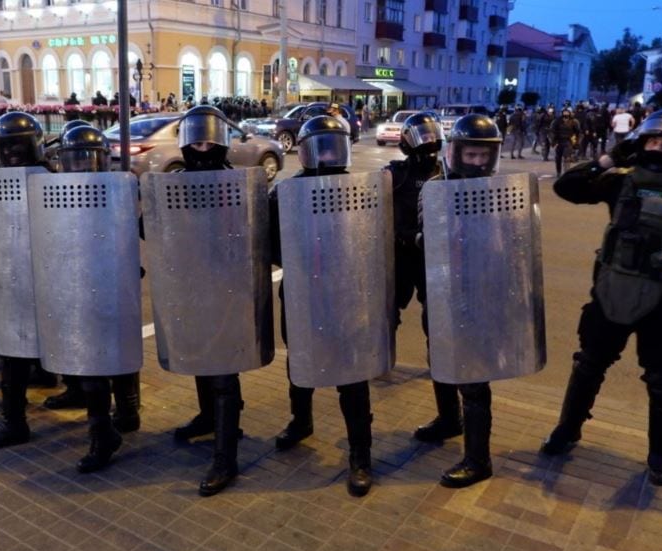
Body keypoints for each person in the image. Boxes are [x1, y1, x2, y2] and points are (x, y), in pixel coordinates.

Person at [540, 109, 662, 486]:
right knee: (587, 366)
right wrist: (612, 157)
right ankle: (567, 430)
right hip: (611, 294)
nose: (658, 148)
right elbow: (566, 187)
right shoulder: (620, 181)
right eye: (651, 140)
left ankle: (660, 456)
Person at [270, 116, 375, 497]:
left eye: (335, 145)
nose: (329, 154)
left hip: (347, 294)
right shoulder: (285, 192)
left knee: (352, 372)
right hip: (300, 292)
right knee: (299, 360)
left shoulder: (361, 188)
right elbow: (267, 241)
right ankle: (301, 421)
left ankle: (361, 453)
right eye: (322, 146)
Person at [164, 105, 246, 496]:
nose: (202, 149)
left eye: (209, 142)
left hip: (228, 285)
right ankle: (206, 417)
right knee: (200, 354)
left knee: (224, 371)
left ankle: (225, 456)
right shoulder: (176, 181)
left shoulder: (238, 182)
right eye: (194, 142)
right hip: (191, 283)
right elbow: (157, 227)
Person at [51, 125, 141, 472]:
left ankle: (121, 419)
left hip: (114, 281)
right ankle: (103, 431)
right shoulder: (55, 191)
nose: (80, 165)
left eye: (86, 158)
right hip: (83, 284)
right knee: (95, 365)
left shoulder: (121, 186)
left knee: (113, 359)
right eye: (73, 159)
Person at [379, 113, 463, 446]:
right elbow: (374, 213)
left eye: (432, 139)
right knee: (385, 315)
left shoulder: (446, 176)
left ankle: (450, 413)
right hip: (401, 257)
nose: (428, 145)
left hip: (434, 262)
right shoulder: (395, 175)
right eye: (422, 139)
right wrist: (408, 238)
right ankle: (378, 360)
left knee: (439, 333)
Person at [432, 114, 504, 488]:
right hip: (442, 293)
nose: (477, 163)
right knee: (442, 360)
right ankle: (448, 420)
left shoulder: (500, 194)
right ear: (455, 153)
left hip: (479, 296)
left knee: (474, 379)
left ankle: (479, 459)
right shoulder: (436, 187)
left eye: (483, 156)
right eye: (471, 154)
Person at [0, 112, 48, 449]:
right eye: (8, 146)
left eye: (20, 144)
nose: (14, 152)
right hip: (15, 279)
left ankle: (101, 431)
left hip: (51, 280)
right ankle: (13, 421)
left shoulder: (51, 179)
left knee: (77, 357)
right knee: (13, 358)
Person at [550, 108, 580, 176]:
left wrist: (576, 142)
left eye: (567, 112)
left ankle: (566, 172)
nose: (566, 114)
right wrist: (553, 142)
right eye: (565, 112)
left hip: (568, 141)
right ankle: (558, 172)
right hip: (559, 141)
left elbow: (577, 133)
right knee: (558, 158)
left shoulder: (573, 122)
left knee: (567, 157)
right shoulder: (557, 121)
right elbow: (552, 132)